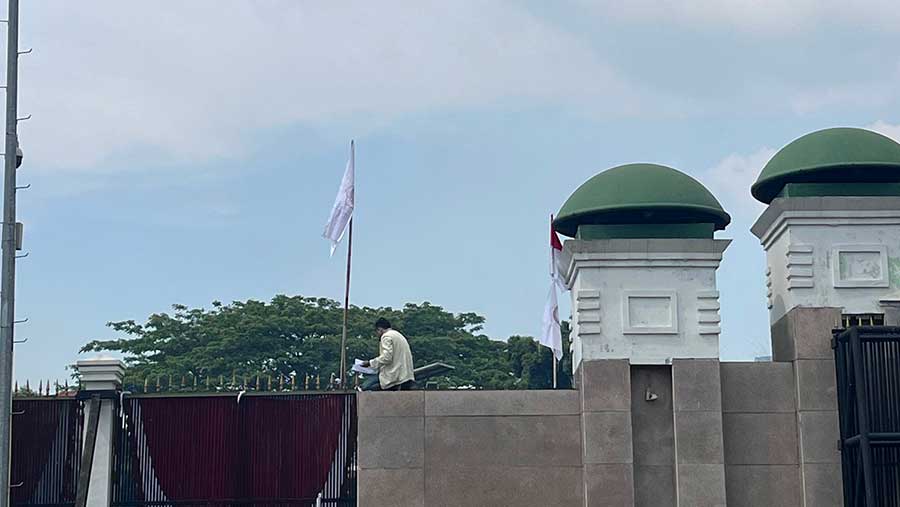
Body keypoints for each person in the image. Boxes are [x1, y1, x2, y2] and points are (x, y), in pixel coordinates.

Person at [361, 318, 415, 391]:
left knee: (367, 386)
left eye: (377, 332)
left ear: (380, 329)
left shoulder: (386, 337)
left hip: (395, 376)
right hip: (405, 375)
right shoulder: (398, 335)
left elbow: (387, 358)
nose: (377, 335)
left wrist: (370, 363)